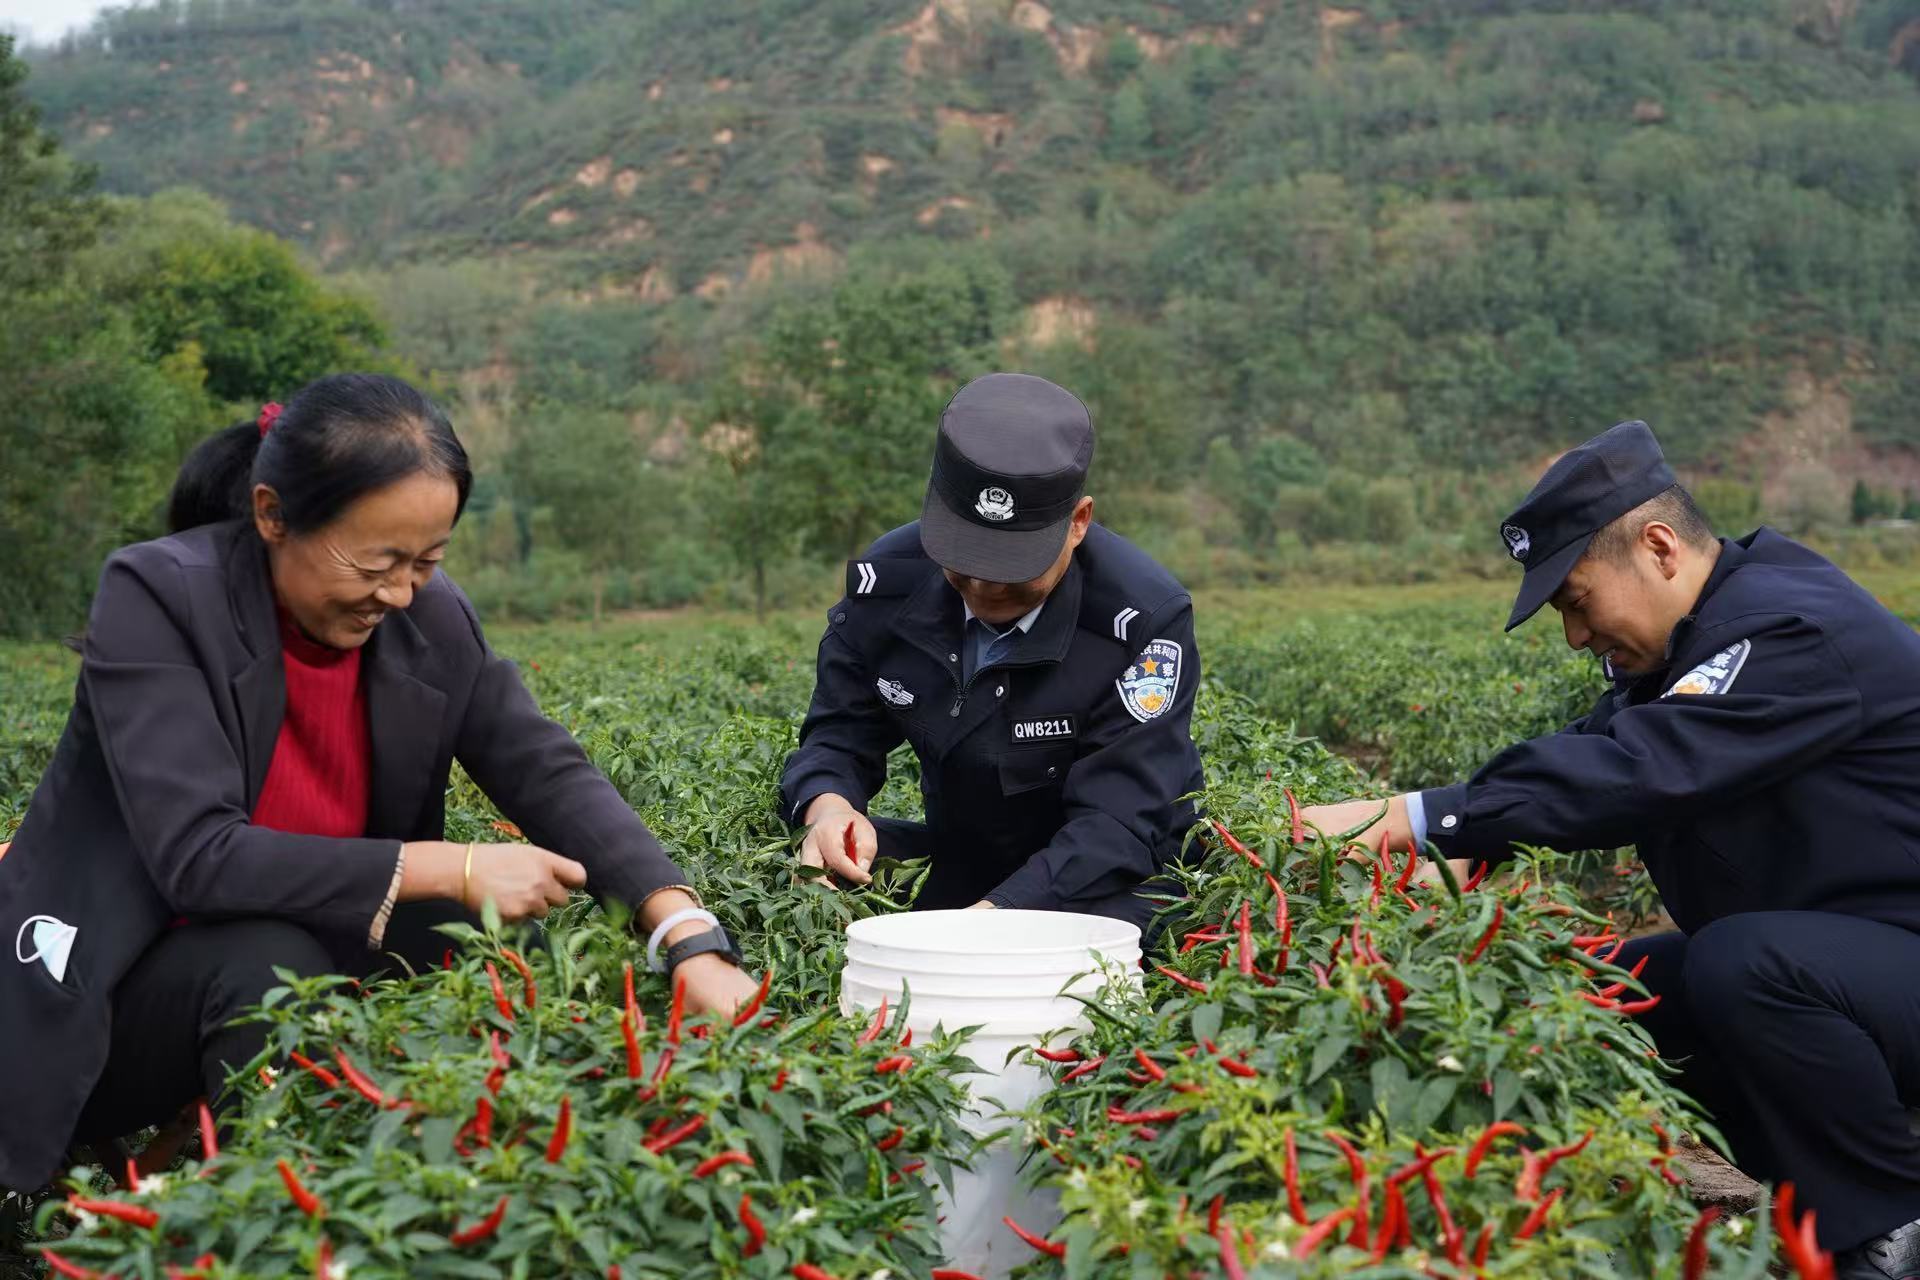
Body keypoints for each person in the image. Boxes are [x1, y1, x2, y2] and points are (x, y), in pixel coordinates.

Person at [0, 373, 759, 1195]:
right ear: (272, 515)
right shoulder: (159, 595)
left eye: (427, 561)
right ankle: (282, 1221)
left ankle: (491, 1191)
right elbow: (199, 857)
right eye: (376, 561)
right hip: (112, 999)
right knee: (271, 966)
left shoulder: (425, 615)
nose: (398, 593)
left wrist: (684, 933)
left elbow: (542, 767)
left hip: (297, 942)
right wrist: (451, 865)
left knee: (497, 942)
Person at [1299, 419, 1920, 1278]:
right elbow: (1589, 753)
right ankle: (1813, 1196)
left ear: (1659, 547)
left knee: (1743, 965)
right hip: (1864, 961)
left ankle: (1890, 1225)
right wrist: (1463, 848)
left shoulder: (1790, 628)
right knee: (1602, 990)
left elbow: (1641, 769)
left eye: (1576, 601)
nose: (1575, 635)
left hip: (1893, 959)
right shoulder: (1693, 642)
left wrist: (1411, 817)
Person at [780, 372, 1204, 931]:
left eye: (1013, 568)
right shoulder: (888, 584)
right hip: (970, 855)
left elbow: (1118, 823)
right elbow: (839, 734)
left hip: (1108, 879)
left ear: (1078, 523)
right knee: (806, 872)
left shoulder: (1139, 621)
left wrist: (992, 921)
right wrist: (829, 806)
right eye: (965, 559)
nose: (984, 588)